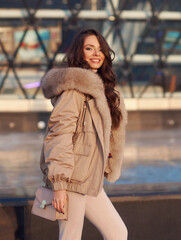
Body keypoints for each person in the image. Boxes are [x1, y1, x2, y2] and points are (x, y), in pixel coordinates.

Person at [40, 29, 128, 240]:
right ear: (79, 53)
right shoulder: (74, 90)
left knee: (117, 232)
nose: (96, 53)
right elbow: (59, 136)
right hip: (70, 179)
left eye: (100, 49)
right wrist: (59, 185)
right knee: (70, 236)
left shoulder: (104, 93)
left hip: (90, 179)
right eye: (89, 48)